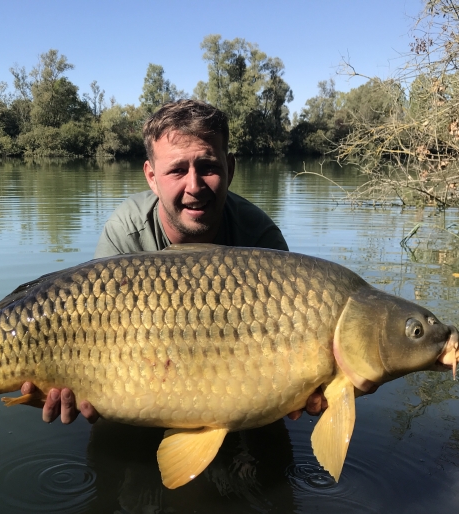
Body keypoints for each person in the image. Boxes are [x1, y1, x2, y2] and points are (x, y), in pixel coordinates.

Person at [20, 99, 327, 424]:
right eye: (177, 170)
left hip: (238, 403)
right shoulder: (125, 235)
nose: (194, 186)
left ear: (231, 169)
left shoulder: (262, 240)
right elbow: (89, 328)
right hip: (139, 398)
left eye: (208, 167)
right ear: (151, 177)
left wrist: (306, 384)